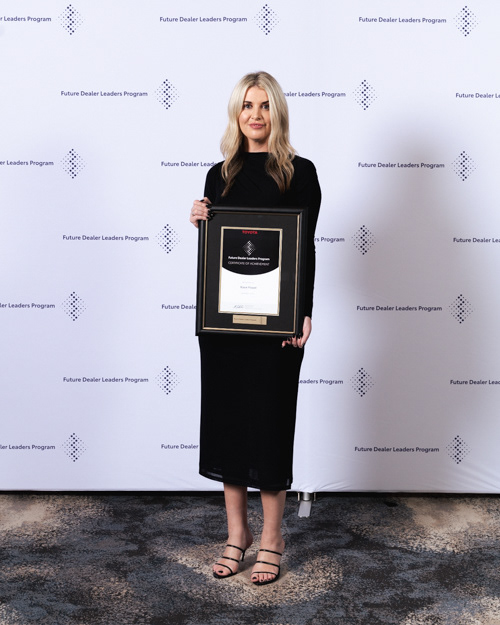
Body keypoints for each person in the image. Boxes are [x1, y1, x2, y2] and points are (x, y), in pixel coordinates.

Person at [189, 71, 321, 585]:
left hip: (276, 326)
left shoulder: (300, 173)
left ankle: (272, 538)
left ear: (277, 112)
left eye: (265, 105)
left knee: (268, 424)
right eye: (247, 105)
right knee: (227, 424)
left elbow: (304, 246)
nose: (256, 114)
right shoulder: (218, 174)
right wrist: (202, 219)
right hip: (224, 325)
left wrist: (303, 311)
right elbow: (221, 253)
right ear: (236, 113)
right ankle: (235, 534)